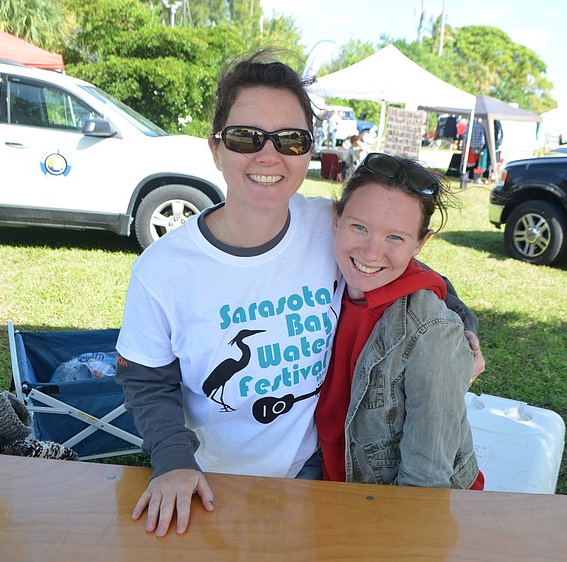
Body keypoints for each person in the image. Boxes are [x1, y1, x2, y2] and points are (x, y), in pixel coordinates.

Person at [115, 50, 485, 538]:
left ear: (308, 152)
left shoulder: (328, 225)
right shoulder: (162, 269)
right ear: (216, 149)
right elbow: (146, 380)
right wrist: (173, 459)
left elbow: (418, 274)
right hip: (211, 478)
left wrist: (463, 335)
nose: (269, 156)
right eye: (246, 137)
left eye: (290, 140)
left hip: (317, 472)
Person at [315, 152, 482, 489]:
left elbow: (425, 481)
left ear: (421, 243)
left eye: (395, 238)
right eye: (359, 227)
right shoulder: (325, 281)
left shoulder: (433, 333)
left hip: (396, 509)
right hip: (329, 488)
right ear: (336, 220)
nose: (371, 252)